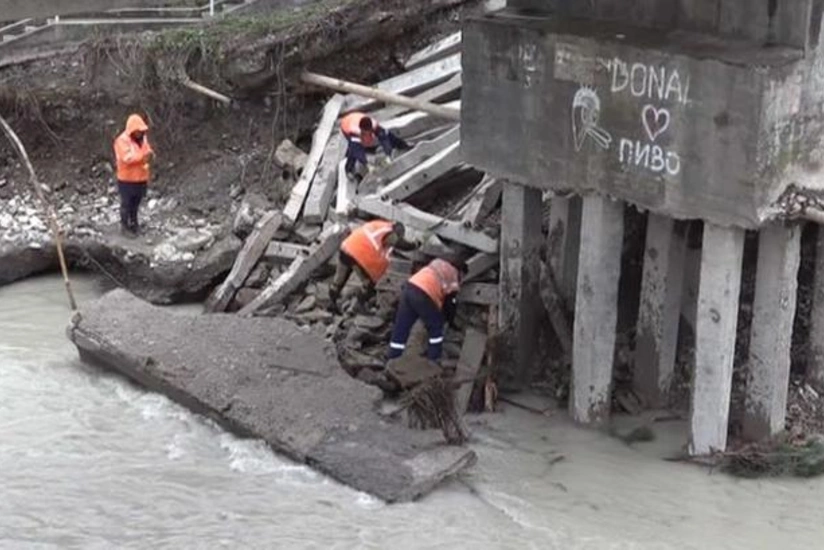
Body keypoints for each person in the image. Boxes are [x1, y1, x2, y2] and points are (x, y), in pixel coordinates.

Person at [387, 258, 466, 364]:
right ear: (461, 271)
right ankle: (433, 360)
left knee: (402, 326)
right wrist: (450, 320)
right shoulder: (453, 275)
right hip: (424, 294)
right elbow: (449, 302)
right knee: (436, 327)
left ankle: (393, 358)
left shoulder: (437, 263)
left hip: (409, 287)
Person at [329, 220, 409, 314]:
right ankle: (358, 306)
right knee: (369, 285)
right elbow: (399, 243)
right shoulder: (389, 232)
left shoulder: (378, 225)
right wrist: (414, 245)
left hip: (346, 247)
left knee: (339, 280)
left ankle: (332, 305)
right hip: (358, 254)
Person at [113, 114, 154, 236]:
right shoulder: (121, 141)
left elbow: (147, 150)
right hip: (127, 179)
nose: (140, 133)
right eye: (138, 131)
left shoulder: (143, 138)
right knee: (126, 203)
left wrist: (150, 154)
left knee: (136, 203)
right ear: (132, 130)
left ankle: (134, 224)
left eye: (141, 131)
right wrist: (144, 157)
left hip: (141, 177)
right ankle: (124, 227)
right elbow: (127, 158)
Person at [340, 112, 409, 181]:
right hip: (346, 124)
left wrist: (388, 155)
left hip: (356, 117)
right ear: (362, 131)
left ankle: (403, 145)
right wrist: (367, 164)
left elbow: (384, 138)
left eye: (369, 133)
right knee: (353, 149)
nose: (368, 135)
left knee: (387, 134)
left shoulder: (374, 125)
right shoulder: (353, 132)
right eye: (365, 134)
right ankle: (349, 170)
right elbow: (357, 150)